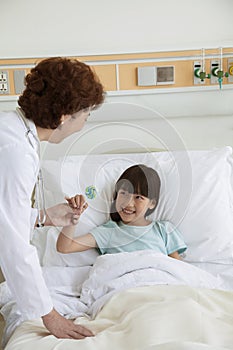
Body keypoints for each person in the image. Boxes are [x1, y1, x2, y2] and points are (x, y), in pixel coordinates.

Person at [0, 57, 104, 340]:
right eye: (86, 115)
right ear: (64, 117)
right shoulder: (16, 151)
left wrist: (43, 217)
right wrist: (51, 316)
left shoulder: (12, 130)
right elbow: (12, 244)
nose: (85, 122)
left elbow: (4, 215)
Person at [57, 164, 187, 260]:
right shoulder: (108, 232)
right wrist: (72, 218)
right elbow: (65, 247)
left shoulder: (164, 230)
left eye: (138, 197)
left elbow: (176, 268)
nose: (128, 203)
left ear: (152, 203)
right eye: (124, 193)